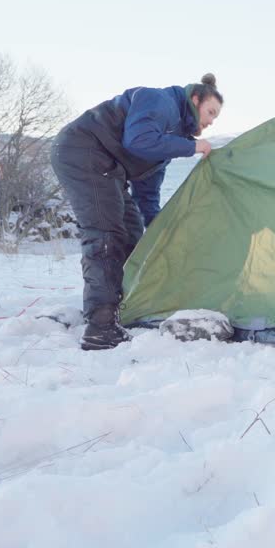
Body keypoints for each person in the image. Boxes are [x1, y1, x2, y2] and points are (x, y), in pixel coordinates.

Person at [51, 74, 223, 350]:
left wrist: (160, 232)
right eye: (211, 112)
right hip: (84, 150)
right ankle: (100, 327)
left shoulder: (169, 141)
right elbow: (138, 140)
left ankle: (121, 306)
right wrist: (192, 147)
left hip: (110, 167)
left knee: (132, 230)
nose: (212, 121)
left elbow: (147, 195)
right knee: (106, 234)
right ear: (195, 99)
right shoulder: (159, 100)